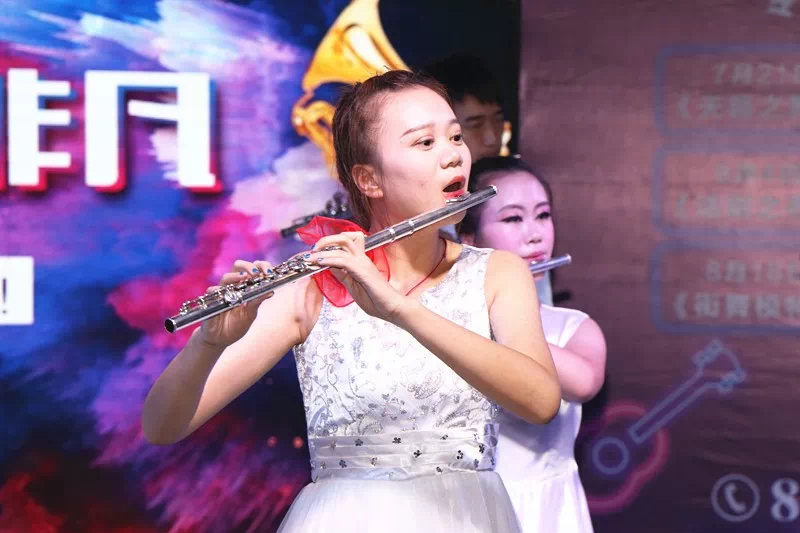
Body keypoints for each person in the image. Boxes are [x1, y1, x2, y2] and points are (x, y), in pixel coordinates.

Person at [141, 71, 562, 533]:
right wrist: (207, 344)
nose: (453, 155)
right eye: (425, 142)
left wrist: (401, 310)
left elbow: (541, 402)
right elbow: (162, 426)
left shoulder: (497, 272)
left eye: (455, 136)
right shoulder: (311, 287)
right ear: (369, 179)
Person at [458, 156, 607, 533]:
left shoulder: (573, 328)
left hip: (545, 515)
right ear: (468, 238)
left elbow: (584, 383)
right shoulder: (442, 324)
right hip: (459, 510)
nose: (535, 235)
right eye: (512, 219)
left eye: (543, 215)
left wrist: (501, 320)